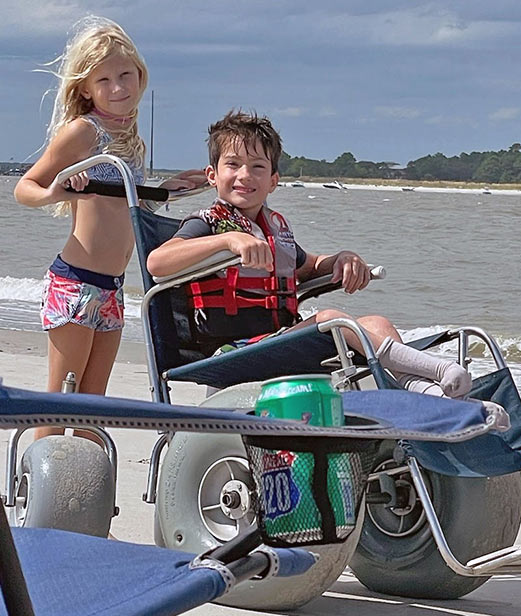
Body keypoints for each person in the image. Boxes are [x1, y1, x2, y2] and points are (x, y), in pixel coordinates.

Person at [146, 110, 473, 399]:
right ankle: (439, 371)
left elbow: (309, 265)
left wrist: (341, 259)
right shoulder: (208, 224)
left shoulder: (274, 227)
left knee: (377, 322)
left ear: (273, 181)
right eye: (233, 164)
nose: (245, 175)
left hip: (275, 339)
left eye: (258, 167)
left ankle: (425, 393)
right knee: (332, 320)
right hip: (232, 352)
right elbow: (157, 263)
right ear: (212, 175)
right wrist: (228, 241)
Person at [13, 17, 204, 438]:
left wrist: (169, 190)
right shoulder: (83, 131)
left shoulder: (132, 137)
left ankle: (79, 493)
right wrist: (58, 193)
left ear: (140, 74)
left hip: (112, 288)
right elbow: (26, 187)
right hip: (75, 284)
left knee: (92, 406)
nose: (119, 87)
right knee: (59, 404)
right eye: (105, 80)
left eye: (125, 75)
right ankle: (33, 493)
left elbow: (125, 201)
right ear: (86, 88)